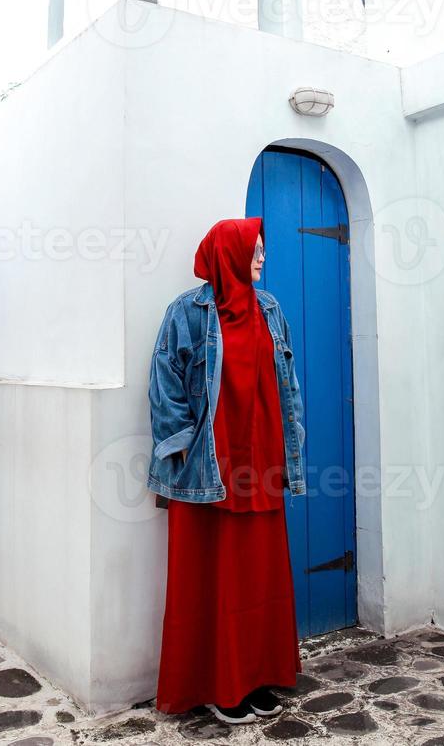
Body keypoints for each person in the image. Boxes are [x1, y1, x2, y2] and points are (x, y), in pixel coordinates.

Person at [147, 217, 306, 725]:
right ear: (227, 255)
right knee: (208, 582)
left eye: (263, 249)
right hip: (207, 473)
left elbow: (289, 385)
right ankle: (215, 685)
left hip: (260, 466)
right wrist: (186, 448)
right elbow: (165, 386)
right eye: (253, 250)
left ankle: (256, 676)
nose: (262, 259)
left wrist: (291, 449)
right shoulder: (186, 314)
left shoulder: (271, 309)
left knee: (259, 581)